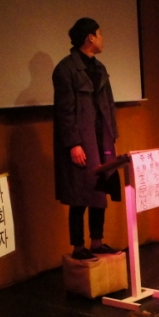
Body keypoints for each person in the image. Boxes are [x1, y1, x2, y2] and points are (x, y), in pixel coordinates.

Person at [52, 17, 122, 262]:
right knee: (80, 193)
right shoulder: (65, 69)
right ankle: (78, 246)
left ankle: (97, 242)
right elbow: (64, 110)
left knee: (99, 191)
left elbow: (109, 105)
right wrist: (73, 144)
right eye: (100, 33)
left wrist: (112, 136)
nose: (103, 38)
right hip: (82, 140)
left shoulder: (99, 68)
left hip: (101, 139)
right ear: (90, 37)